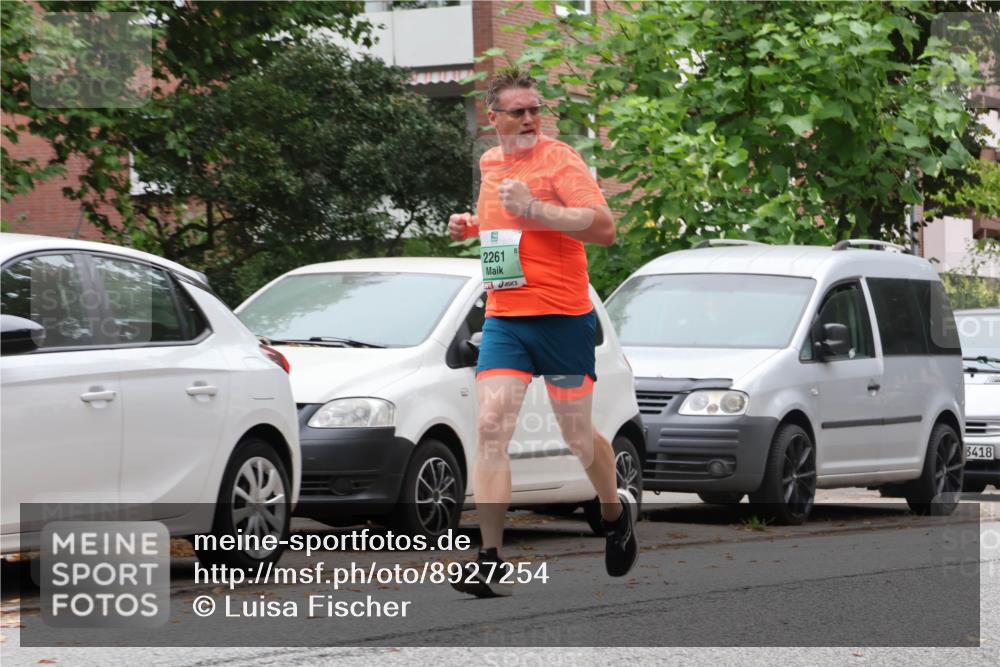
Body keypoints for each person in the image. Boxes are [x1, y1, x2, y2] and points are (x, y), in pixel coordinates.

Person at [447, 67, 637, 598]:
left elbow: (602, 227)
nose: (530, 119)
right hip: (506, 316)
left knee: (577, 435)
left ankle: (614, 510)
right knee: (489, 427)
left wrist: (537, 208)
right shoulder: (489, 163)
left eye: (536, 109)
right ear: (494, 119)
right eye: (519, 111)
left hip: (564, 318)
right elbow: (504, 226)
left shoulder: (561, 160)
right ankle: (488, 557)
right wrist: (474, 225)